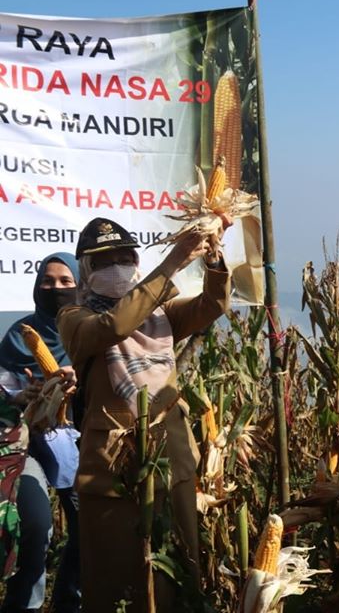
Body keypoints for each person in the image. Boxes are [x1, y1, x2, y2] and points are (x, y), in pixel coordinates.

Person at [57, 217, 230, 612]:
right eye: (103, 261)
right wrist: (171, 264)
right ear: (85, 269)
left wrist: (214, 258)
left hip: (172, 458)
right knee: (118, 577)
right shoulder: (74, 317)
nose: (117, 266)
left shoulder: (162, 312)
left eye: (124, 256)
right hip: (111, 468)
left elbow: (212, 305)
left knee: (178, 568)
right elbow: (114, 325)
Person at [0, 253, 82, 612]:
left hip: (77, 440)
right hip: (26, 442)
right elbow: (3, 388)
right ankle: (24, 605)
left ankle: (69, 602)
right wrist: (21, 395)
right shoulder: (19, 335)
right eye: (47, 281)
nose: (56, 288)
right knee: (36, 524)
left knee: (89, 527)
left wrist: (79, 381)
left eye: (66, 281)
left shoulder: (89, 332)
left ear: (80, 284)